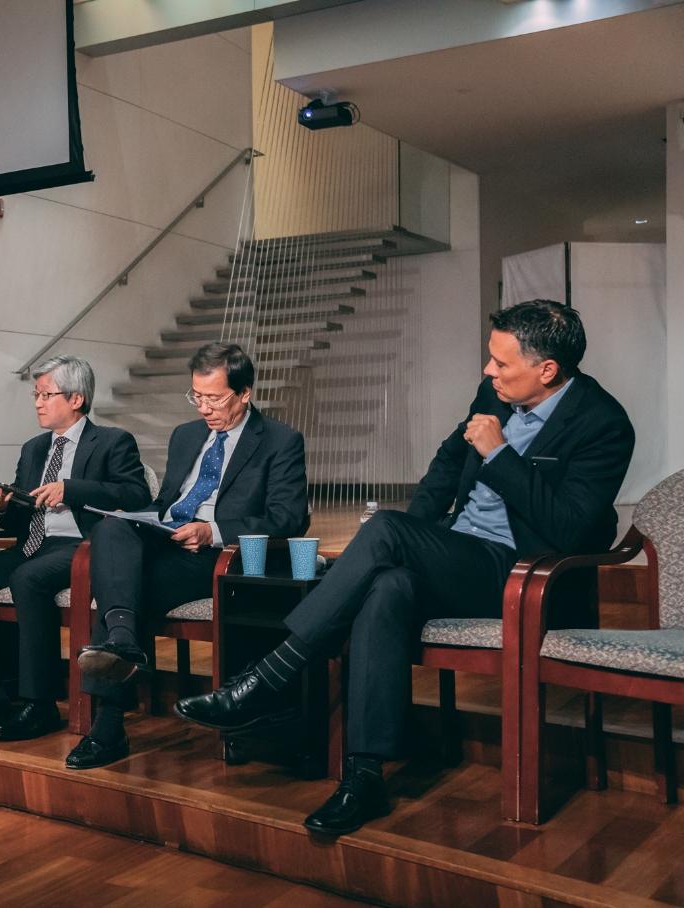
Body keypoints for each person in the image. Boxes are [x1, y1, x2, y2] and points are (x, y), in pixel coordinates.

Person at [175, 300, 635, 835]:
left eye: (501, 363)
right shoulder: (496, 394)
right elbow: (444, 468)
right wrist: (410, 541)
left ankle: (268, 679)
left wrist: (501, 455)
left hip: (519, 572)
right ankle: (362, 779)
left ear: (547, 369)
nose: (488, 372)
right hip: (457, 555)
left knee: (386, 533)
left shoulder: (602, 423)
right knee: (388, 582)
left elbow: (571, 530)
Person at [67, 342, 310, 770]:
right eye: (196, 396)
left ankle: (108, 724)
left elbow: (288, 517)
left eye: (214, 398)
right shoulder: (186, 435)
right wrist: (147, 519)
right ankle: (122, 642)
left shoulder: (280, 441)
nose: (204, 408)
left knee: (118, 591)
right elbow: (168, 500)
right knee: (112, 528)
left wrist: (212, 531)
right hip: (167, 538)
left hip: (214, 555)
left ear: (245, 393)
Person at [0, 355, 150, 740]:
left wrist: (72, 488)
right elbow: (21, 518)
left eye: (47, 394)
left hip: (84, 545)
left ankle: (39, 703)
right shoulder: (34, 448)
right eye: (36, 394)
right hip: (34, 543)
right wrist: (0, 508)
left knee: (27, 578)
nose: (38, 402)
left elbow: (136, 496)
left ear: (77, 399)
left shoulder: (113, 442)